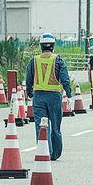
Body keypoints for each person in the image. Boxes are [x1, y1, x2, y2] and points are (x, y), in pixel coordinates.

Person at [25, 33, 72, 161]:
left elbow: (28, 79)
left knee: (41, 126)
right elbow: (65, 79)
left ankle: (44, 151)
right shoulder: (58, 60)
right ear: (53, 46)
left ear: (41, 46)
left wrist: (29, 93)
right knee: (55, 127)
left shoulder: (34, 60)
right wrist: (69, 95)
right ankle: (55, 154)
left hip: (39, 97)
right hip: (55, 98)